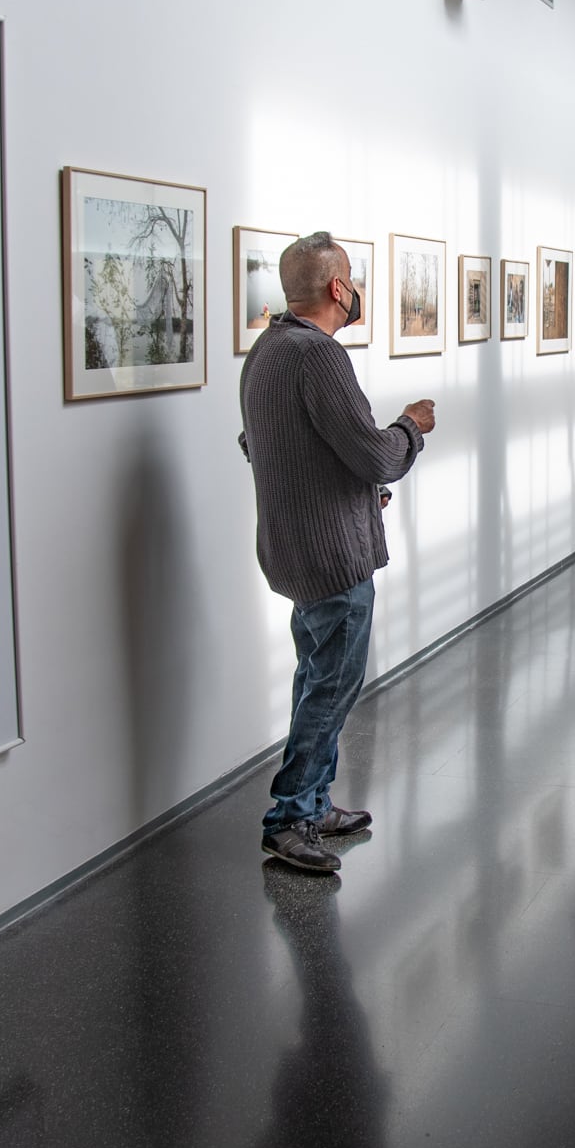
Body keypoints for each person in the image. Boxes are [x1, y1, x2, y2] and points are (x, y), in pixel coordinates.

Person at [238, 232, 436, 873]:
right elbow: (377, 454)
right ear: (337, 289)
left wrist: (348, 491)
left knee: (313, 676)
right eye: (351, 278)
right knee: (333, 684)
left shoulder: (266, 349)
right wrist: (411, 426)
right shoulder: (318, 356)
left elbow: (264, 445)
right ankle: (290, 816)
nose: (355, 290)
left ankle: (315, 801)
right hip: (330, 558)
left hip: (292, 549)